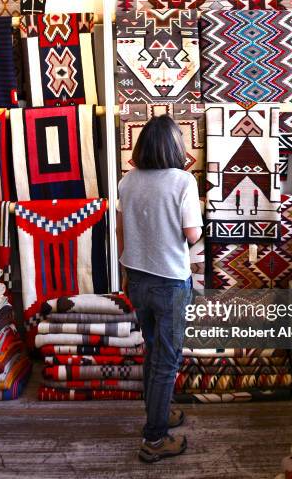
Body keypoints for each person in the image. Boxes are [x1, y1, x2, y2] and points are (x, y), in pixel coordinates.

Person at [116, 115, 203, 463]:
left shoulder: (127, 181)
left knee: (153, 350)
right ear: (173, 146)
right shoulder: (183, 181)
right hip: (169, 281)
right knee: (167, 360)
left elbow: (121, 232)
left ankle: (159, 413)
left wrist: (125, 270)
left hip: (136, 277)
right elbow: (192, 233)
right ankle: (154, 439)